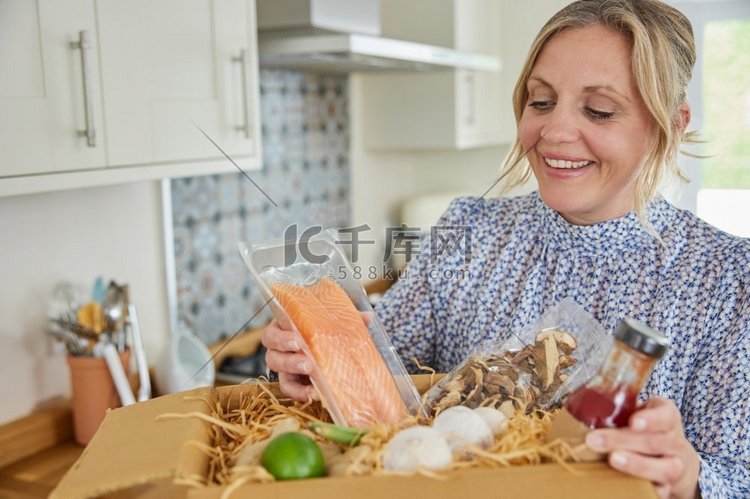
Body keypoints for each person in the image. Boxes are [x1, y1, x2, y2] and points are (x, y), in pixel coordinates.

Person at [261, 1, 749, 497]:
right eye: (540, 102)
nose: (554, 132)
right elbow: (378, 383)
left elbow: (738, 475)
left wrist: (691, 478)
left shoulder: (727, 280)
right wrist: (307, 363)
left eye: (599, 110)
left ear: (672, 124)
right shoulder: (468, 229)